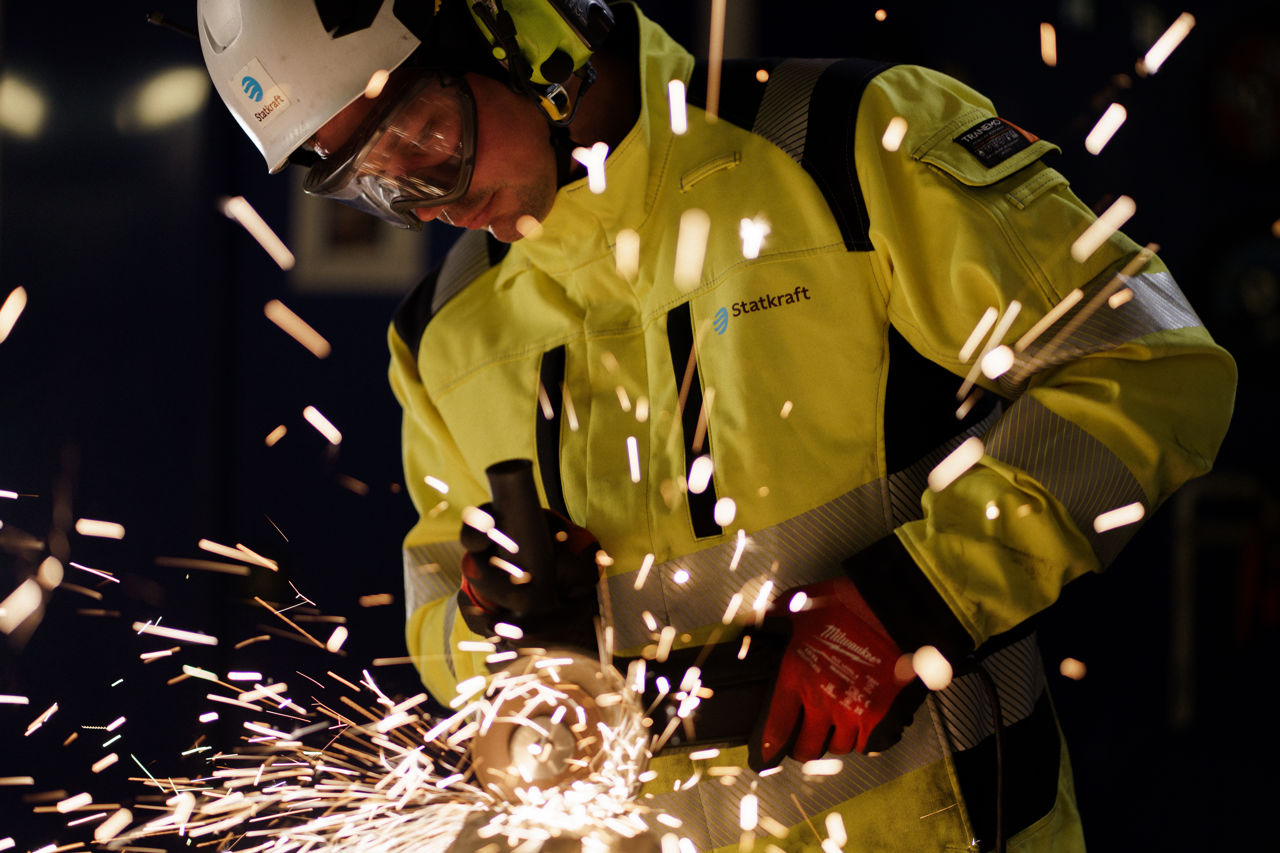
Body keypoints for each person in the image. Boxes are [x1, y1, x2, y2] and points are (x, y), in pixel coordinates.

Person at [197, 1, 1235, 850]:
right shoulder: (444, 331)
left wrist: (916, 597)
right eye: (371, 181)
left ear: (523, 30)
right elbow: (437, 616)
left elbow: (1150, 370)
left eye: (423, 137)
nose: (424, 201)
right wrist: (491, 629)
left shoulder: (844, 148)